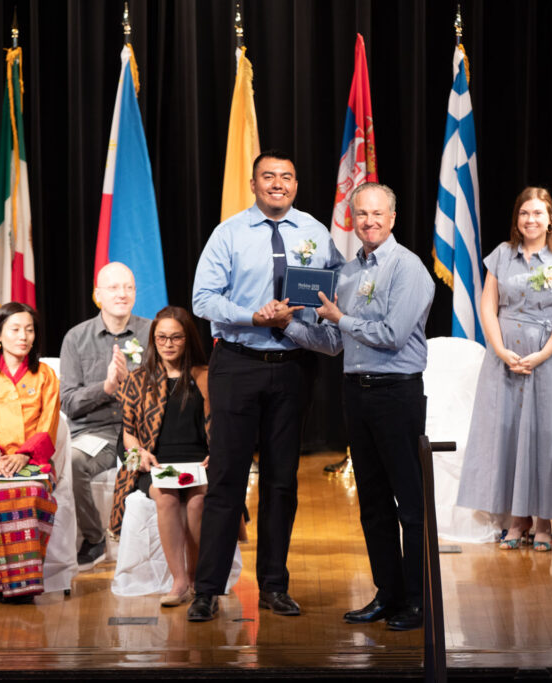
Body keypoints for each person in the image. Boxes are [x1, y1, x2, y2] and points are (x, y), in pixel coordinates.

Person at [268, 182, 434, 631]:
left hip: (397, 393)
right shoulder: (344, 273)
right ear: (352, 219)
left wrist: (340, 318)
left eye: (377, 214)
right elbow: (332, 342)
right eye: (361, 214)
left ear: (392, 218)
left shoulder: (409, 268)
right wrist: (287, 328)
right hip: (356, 394)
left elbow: (392, 335)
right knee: (373, 504)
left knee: (410, 505)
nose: (369, 222)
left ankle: (419, 602)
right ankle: (388, 593)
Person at [188, 150, 343, 622]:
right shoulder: (228, 233)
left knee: (281, 480)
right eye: (268, 177)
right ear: (254, 184)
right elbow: (202, 298)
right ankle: (207, 590)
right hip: (237, 363)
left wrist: (309, 314)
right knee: (227, 479)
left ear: (296, 185)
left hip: (294, 366)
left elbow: (331, 294)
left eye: (287, 177)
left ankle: (274, 585)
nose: (278, 184)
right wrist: (251, 315)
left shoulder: (317, 234)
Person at [456, 187, 552, 553]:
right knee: (509, 434)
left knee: (545, 436)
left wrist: (543, 353)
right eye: (524, 213)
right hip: (506, 358)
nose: (530, 219)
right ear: (517, 219)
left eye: (537, 213)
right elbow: (488, 306)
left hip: (549, 358)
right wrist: (500, 350)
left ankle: (544, 521)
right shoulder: (502, 255)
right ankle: (517, 520)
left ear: (550, 219)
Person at [109, 306, 209, 607]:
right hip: (157, 464)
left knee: (197, 501)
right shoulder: (139, 379)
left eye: (176, 338)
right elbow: (127, 433)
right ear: (153, 339)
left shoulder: (204, 377)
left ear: (188, 339)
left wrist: (215, 456)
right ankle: (179, 581)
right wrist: (139, 453)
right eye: (162, 337)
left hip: (198, 463)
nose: (168, 344)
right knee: (166, 498)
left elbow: (223, 426)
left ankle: (196, 577)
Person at [0, 302, 61, 603]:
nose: (24, 336)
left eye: (29, 330)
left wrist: (24, 455)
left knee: (31, 491)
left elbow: (48, 425)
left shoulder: (46, 376)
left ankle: (21, 587)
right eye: (15, 329)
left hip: (34, 461)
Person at [60, 262, 152, 572]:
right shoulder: (76, 338)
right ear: (98, 294)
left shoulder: (152, 332)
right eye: (113, 288)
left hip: (143, 431)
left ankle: (152, 546)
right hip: (95, 433)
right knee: (71, 461)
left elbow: (168, 389)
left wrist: (133, 386)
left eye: (128, 287)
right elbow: (69, 403)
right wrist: (107, 387)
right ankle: (95, 538)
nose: (122, 294)